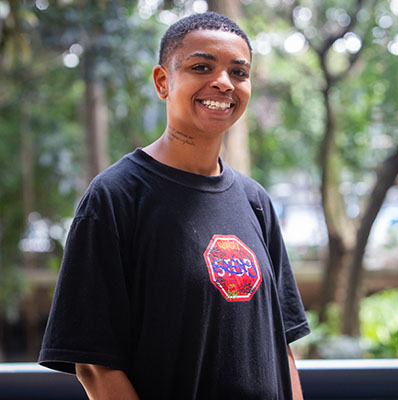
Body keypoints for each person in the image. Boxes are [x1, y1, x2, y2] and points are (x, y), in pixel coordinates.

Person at [39, 12, 310, 400]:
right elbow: (95, 365)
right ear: (162, 81)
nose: (224, 82)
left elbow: (280, 344)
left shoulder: (255, 201)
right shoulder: (115, 197)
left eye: (239, 72)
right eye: (202, 67)